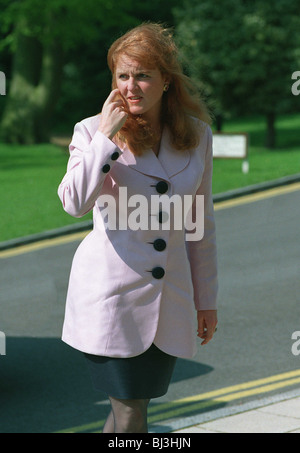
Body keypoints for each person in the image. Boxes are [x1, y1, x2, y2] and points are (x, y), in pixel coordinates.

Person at [58, 23, 218, 434]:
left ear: (166, 81)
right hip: (111, 300)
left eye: (143, 75)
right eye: (123, 76)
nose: (132, 86)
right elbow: (74, 202)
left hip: (169, 303)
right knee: (131, 415)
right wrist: (105, 139)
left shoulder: (198, 136)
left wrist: (206, 300)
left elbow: (201, 223)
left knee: (127, 412)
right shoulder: (91, 131)